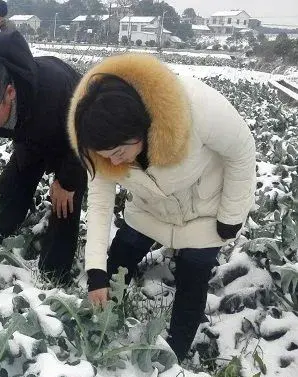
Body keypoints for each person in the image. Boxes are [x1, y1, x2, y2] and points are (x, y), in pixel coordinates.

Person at [67, 53, 256, 361]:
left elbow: (242, 150)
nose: (113, 162)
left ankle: (174, 353)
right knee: (122, 253)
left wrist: (230, 217)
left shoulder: (195, 106)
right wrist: (96, 274)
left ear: (140, 128)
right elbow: (100, 206)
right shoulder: (98, 139)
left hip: (204, 209)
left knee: (193, 274)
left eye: (118, 152)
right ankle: (102, 322)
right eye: (106, 156)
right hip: (150, 208)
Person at [0, 31, 86, 285]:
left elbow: (85, 135)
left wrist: (67, 181)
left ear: (10, 93)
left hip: (74, 137)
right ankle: (1, 236)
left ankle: (55, 276)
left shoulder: (55, 87)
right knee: (11, 185)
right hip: (30, 136)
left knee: (64, 205)